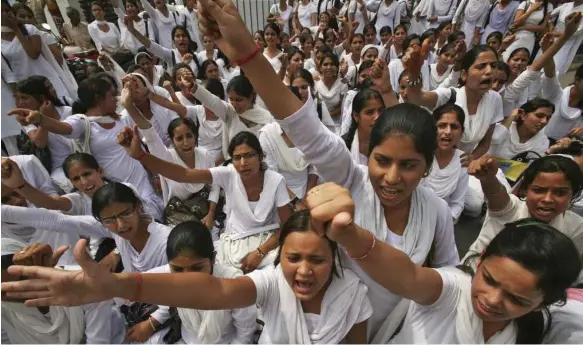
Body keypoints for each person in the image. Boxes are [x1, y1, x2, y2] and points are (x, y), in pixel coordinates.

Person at [4, 209, 378, 343]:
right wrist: (117, 285)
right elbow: (211, 290)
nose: (304, 270)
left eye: (318, 259)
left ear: (336, 258)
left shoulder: (353, 295)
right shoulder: (269, 283)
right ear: (280, 259)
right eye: (293, 257)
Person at [118, 128, 292, 272]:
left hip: (268, 245)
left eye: (249, 155)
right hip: (233, 247)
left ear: (260, 156)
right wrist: (141, 155)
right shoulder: (229, 174)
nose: (243, 162)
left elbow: (286, 225)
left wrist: (260, 252)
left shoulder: (275, 181)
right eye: (237, 157)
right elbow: (183, 174)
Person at [8, 76, 164, 220]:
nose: (116, 97)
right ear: (99, 98)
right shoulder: (83, 122)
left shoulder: (121, 119)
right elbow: (65, 128)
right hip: (118, 191)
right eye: (111, 94)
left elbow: (143, 144)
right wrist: (40, 119)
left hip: (146, 185)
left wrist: (156, 175)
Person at [1, 182, 172, 273]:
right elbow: (57, 220)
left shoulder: (167, 241)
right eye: (110, 219)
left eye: (125, 213)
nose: (120, 225)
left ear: (137, 207)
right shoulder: (110, 229)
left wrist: (152, 323)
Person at [120, 79, 220, 230]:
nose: (186, 142)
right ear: (172, 140)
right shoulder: (166, 158)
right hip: (179, 220)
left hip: (208, 215)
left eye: (189, 136)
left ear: (195, 136)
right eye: (179, 138)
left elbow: (215, 187)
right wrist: (129, 106)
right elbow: (150, 133)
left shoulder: (205, 155)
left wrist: (211, 214)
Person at [143, 221, 257, 343]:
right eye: (177, 269)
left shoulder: (234, 283)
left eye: (196, 268)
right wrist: (151, 323)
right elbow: (139, 282)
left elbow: (245, 333)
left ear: (213, 259)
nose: (187, 279)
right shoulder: (170, 275)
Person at [0, 238, 126, 344]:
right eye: (3, 292)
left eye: (20, 280)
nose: (14, 293)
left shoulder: (81, 282)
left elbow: (99, 340)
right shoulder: (4, 310)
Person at [464, 154, 583, 258]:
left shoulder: (577, 227)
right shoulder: (510, 209)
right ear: (525, 190)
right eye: (538, 190)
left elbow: (570, 270)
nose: (547, 199)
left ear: (573, 194)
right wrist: (488, 178)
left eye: (560, 193)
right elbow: (495, 193)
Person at [1, 155, 80, 266]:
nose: (17, 201)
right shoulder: (3, 244)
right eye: (5, 200)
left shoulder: (55, 223)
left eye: (17, 194)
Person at [1, 0, 73, 102]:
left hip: (46, 81)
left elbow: (34, 54)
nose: (5, 14)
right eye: (1, 11)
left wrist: (17, 30)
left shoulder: (29, 29)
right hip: (26, 87)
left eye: (7, 10)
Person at [13, 76, 75, 191]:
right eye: (19, 98)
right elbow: (40, 143)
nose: (21, 102)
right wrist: (42, 118)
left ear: (41, 97)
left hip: (84, 157)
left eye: (25, 98)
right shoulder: (27, 121)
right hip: (60, 168)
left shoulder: (67, 110)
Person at [189, 75, 274, 160]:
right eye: (231, 99)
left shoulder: (267, 118)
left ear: (251, 97)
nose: (234, 104)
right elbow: (211, 100)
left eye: (239, 100)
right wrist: (193, 86)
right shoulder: (229, 112)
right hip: (233, 166)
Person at [421, 103, 468, 222]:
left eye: (454, 127)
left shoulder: (463, 160)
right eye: (442, 125)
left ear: (462, 132)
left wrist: (444, 223)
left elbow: (457, 204)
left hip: (444, 219)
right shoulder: (422, 155)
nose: (448, 131)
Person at [126, 18, 202, 79]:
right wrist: (132, 30)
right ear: (173, 42)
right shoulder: (170, 55)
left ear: (189, 40)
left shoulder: (197, 56)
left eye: (184, 36)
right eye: (178, 36)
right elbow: (151, 45)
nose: (181, 39)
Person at [342, 88, 385, 166]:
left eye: (381, 110)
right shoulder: (343, 144)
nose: (377, 117)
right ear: (356, 116)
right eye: (370, 112)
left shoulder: (389, 142)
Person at [549, 0, 583, 77]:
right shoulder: (566, 5)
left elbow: (576, 32)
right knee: (540, 67)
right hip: (551, 40)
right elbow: (549, 16)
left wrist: (554, 33)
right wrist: (551, 27)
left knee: (554, 71)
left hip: (565, 45)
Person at [315, 52, 348, 128]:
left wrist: (328, 115)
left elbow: (343, 107)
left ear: (337, 67)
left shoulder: (342, 83)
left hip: (337, 123)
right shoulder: (316, 84)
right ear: (320, 68)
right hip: (319, 122)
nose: (329, 67)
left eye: (332, 64)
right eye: (325, 64)